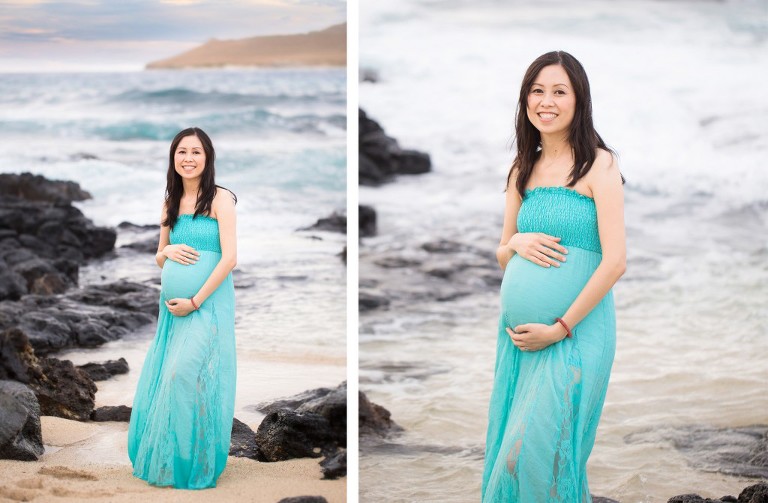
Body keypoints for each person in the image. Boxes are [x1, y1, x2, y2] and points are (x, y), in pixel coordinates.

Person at [482, 51, 626, 502]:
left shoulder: (599, 165)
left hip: (575, 333)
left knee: (535, 456)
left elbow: (616, 261)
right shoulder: (521, 169)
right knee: (514, 457)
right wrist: (516, 245)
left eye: (559, 91)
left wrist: (560, 328)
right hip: (521, 340)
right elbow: (503, 252)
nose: (547, 101)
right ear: (526, 100)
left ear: (578, 100)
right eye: (537, 90)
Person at [128, 127, 238, 489]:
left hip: (206, 303)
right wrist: (167, 252)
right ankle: (170, 459)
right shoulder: (169, 202)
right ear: (173, 158)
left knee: (184, 374)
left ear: (207, 159)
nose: (188, 158)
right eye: (181, 152)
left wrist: (195, 300)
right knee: (169, 376)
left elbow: (230, 259)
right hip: (172, 310)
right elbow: (159, 255)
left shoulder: (222, 200)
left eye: (196, 152)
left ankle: (194, 459)